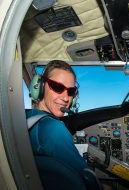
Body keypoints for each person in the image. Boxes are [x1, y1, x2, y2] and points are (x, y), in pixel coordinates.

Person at [26, 60, 102, 190]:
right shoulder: (52, 128)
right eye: (57, 87)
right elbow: (87, 179)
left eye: (71, 91)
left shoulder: (26, 116)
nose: (66, 98)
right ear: (40, 87)